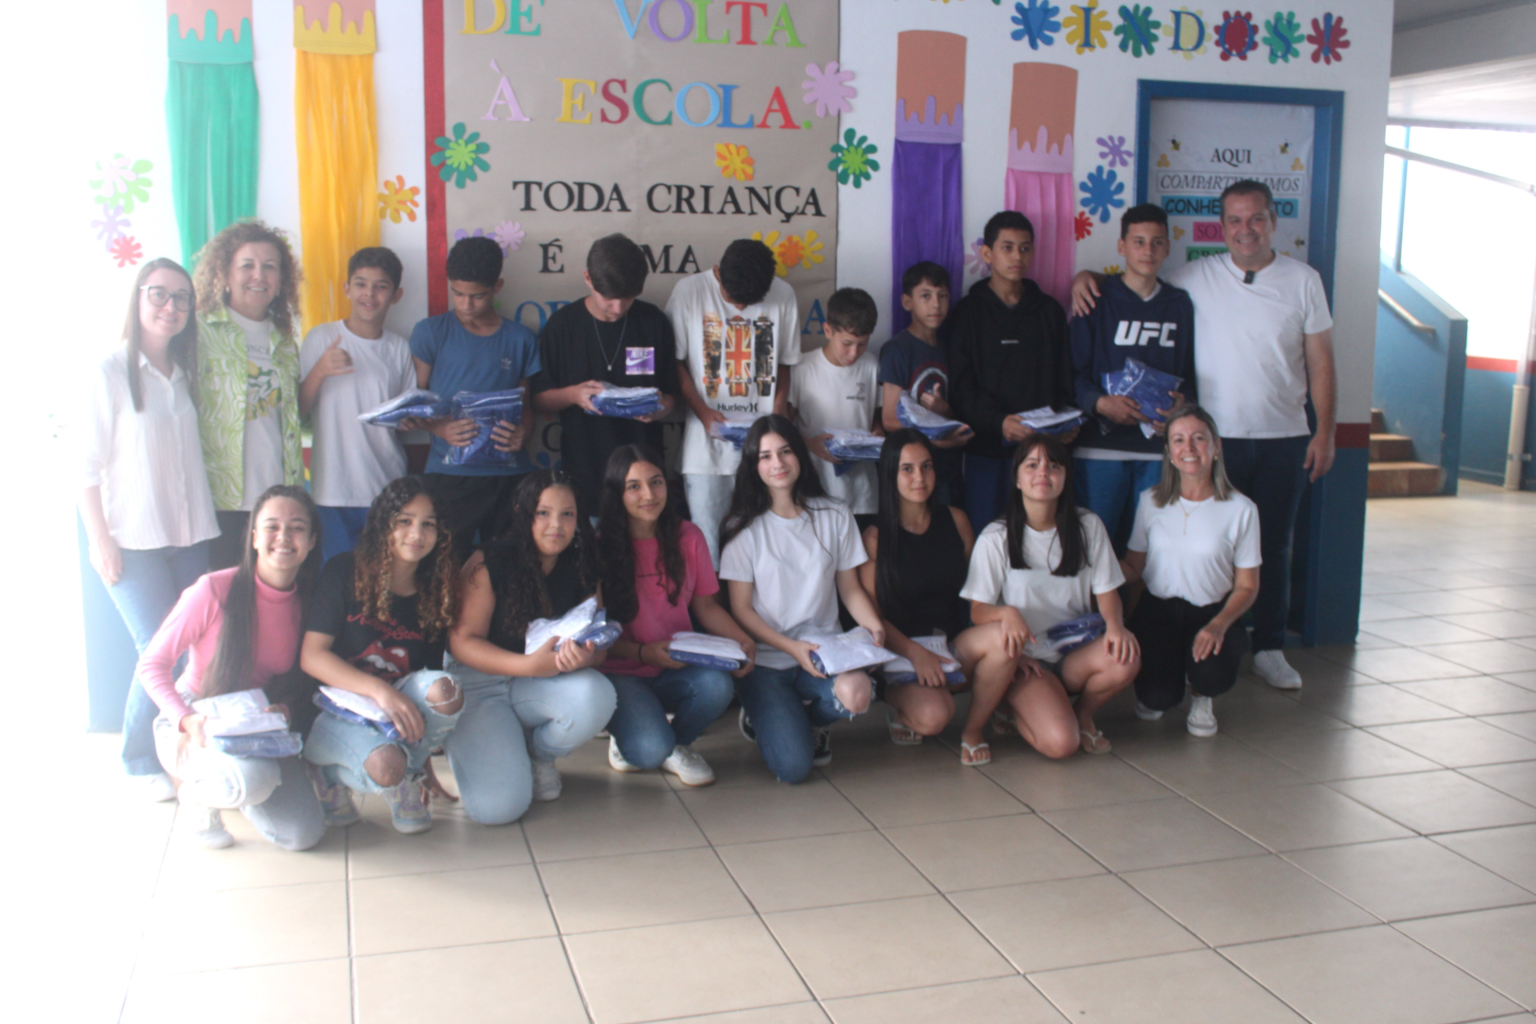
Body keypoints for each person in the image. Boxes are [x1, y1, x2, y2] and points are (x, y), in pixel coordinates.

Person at [1073, 179, 1336, 690]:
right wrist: (1087, 276)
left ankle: (1268, 646)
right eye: (1234, 220)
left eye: (1255, 218)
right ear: (1220, 227)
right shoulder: (1194, 277)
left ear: (1272, 221)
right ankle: (1184, 647)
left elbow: (1322, 363)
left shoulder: (1304, 280)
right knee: (1197, 547)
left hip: (1286, 437)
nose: (1245, 229)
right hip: (1214, 444)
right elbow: (1136, 279)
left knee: (1274, 547)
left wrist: (1325, 431)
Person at [82, 258, 220, 802]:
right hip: (133, 540)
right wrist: (100, 542)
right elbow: (83, 469)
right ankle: (139, 759)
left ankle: (174, 746)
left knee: (191, 648)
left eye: (182, 298)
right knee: (155, 647)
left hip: (188, 534)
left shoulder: (184, 374)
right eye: (159, 295)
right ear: (137, 299)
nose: (171, 307)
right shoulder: (109, 371)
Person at [137, 485, 326, 851]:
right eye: (271, 526)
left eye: (297, 527)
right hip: (196, 715)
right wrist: (184, 719)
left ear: (312, 540)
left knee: (302, 834)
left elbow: (297, 681)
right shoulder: (211, 590)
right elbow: (152, 664)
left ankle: (235, 784)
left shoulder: (308, 603)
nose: (283, 537)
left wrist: (284, 709)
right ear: (254, 537)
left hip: (253, 721)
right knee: (252, 781)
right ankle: (198, 793)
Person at [718, 415, 886, 783]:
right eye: (764, 456)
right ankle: (763, 713)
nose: (777, 464)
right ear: (753, 465)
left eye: (785, 451)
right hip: (767, 660)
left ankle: (810, 721)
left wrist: (871, 626)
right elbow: (740, 609)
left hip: (825, 650)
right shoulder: (741, 528)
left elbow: (850, 588)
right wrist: (792, 648)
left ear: (799, 455)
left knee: (857, 694)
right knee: (794, 769)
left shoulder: (835, 514)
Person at [445, 470, 617, 825]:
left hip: (538, 681)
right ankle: (479, 743)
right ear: (524, 513)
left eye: (567, 514)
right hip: (480, 683)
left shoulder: (583, 561)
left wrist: (585, 657)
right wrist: (530, 667)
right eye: (543, 513)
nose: (556, 525)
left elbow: (599, 644)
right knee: (499, 810)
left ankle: (538, 754)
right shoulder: (489, 560)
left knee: (597, 695)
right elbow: (461, 642)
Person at [957, 436, 1139, 764]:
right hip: (1025, 659)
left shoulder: (1088, 527)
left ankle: (1082, 715)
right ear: (1016, 479)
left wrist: (1115, 626)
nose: (1043, 472)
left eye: (1053, 465)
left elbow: (1107, 592)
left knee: (1125, 655)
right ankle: (990, 715)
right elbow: (978, 610)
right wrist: (1007, 613)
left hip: (1073, 650)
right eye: (1032, 465)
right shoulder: (996, 536)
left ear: (1066, 476)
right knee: (1060, 744)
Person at [301, 478, 465, 833]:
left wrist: (425, 764)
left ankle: (406, 775)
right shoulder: (344, 570)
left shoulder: (434, 589)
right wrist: (380, 690)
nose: (416, 533)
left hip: (391, 715)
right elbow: (312, 656)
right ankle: (327, 772)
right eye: (404, 520)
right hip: (337, 709)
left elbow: (431, 680)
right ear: (383, 523)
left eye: (428, 524)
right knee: (386, 765)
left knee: (446, 690)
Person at [597, 445, 754, 786]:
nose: (649, 495)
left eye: (656, 482)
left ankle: (677, 743)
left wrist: (741, 640)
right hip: (621, 672)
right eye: (634, 486)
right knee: (647, 752)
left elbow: (707, 605)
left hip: (677, 665)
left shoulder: (688, 535)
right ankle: (631, 731)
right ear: (616, 493)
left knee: (717, 684)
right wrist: (642, 652)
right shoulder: (600, 547)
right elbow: (594, 634)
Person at [1122, 405, 1260, 737]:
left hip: (1212, 613)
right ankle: (1170, 678)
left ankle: (1201, 695)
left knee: (1211, 675)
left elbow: (1247, 587)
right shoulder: (1150, 501)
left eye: (1199, 439)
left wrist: (1218, 625)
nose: (1190, 449)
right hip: (1158, 611)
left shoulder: (1242, 509)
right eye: (1179, 440)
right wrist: (1087, 570)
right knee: (1157, 698)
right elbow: (1133, 567)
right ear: (1169, 452)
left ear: (1216, 446)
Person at [668, 239, 802, 567]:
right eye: (732, 300)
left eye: (750, 303)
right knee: (709, 551)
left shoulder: (783, 294)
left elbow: (785, 362)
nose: (740, 309)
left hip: (764, 448)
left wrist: (779, 408)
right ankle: (713, 616)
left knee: (765, 545)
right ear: (717, 273)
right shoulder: (689, 292)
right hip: (705, 454)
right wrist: (703, 413)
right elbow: (675, 362)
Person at [1069, 204, 1196, 548]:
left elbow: (1189, 377)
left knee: (1153, 552)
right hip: (1100, 449)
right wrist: (1099, 403)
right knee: (1096, 548)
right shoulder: (1095, 298)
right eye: (1138, 241)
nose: (1148, 251)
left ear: (1168, 247)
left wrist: (1183, 407)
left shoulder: (1180, 305)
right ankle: (1097, 606)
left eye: (1157, 242)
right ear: (1121, 246)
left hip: (1159, 452)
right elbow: (1073, 374)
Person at [408, 236, 540, 563]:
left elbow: (528, 407)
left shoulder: (520, 338)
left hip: (509, 477)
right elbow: (414, 403)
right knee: (444, 567)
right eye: (458, 294)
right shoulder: (430, 332)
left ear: (497, 286)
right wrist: (441, 430)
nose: (466, 305)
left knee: (509, 567)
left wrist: (524, 433)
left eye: (477, 296)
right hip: (449, 475)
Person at [945, 211, 1076, 532]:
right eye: (1007, 247)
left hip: (1043, 455)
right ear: (987, 253)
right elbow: (960, 388)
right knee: (986, 536)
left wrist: (1066, 425)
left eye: (1025, 248)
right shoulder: (967, 313)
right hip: (986, 452)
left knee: (1039, 536)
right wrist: (998, 422)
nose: (1017, 256)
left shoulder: (1049, 312)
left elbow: (1065, 380)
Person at [531, 234, 680, 514]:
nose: (618, 309)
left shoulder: (653, 321)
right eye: (609, 299)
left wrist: (659, 409)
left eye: (628, 299)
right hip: (585, 471)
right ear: (588, 278)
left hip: (645, 475)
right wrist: (573, 395)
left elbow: (672, 396)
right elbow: (538, 401)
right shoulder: (563, 326)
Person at [191, 221, 305, 570]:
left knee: (274, 605)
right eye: (247, 265)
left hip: (277, 504)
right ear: (225, 272)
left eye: (270, 266)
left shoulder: (285, 341)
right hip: (218, 501)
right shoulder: (198, 331)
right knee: (225, 608)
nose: (259, 275)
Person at [858, 430, 976, 743]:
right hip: (900, 653)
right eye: (907, 469)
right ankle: (900, 706)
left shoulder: (957, 520)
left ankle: (984, 723)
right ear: (889, 474)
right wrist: (915, 653)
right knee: (934, 717)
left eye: (926, 466)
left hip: (949, 648)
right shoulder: (875, 537)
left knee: (1004, 643)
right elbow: (871, 618)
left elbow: (979, 592)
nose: (919, 478)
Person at [298, 247, 415, 561]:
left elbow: (406, 415)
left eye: (381, 286)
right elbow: (297, 413)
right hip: (331, 490)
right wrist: (321, 369)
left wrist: (410, 419)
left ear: (396, 294)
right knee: (337, 583)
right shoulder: (321, 338)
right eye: (361, 284)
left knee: (384, 584)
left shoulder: (399, 347)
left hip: (386, 487)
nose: (370, 294)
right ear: (346, 288)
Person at [878, 261, 970, 506]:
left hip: (947, 467)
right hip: (913, 471)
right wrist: (933, 438)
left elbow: (950, 411)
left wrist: (944, 412)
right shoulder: (897, 349)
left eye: (943, 296)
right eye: (926, 296)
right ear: (907, 302)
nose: (936, 304)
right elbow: (889, 419)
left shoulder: (949, 347)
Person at [788, 287, 881, 518]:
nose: (853, 353)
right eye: (847, 343)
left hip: (862, 491)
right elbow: (783, 426)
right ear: (828, 330)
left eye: (862, 344)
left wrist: (877, 437)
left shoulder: (871, 366)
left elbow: (879, 419)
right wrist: (809, 444)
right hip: (815, 487)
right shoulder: (802, 368)